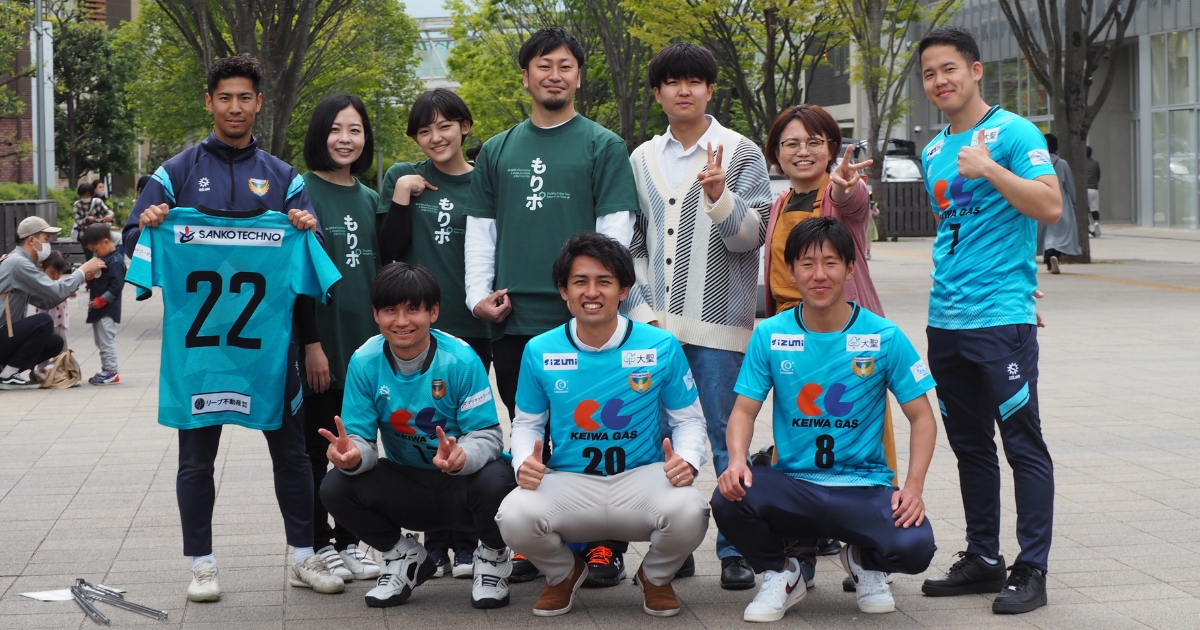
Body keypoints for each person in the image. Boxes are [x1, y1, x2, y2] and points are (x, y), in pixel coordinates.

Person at [122, 53, 335, 603]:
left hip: (271, 349)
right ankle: (202, 565)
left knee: (292, 455)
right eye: (225, 97)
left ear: (258, 103)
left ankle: (305, 556)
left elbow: (310, 262)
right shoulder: (175, 173)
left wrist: (306, 229)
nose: (234, 107)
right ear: (209, 102)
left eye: (244, 97)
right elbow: (131, 246)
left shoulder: (283, 178)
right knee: (196, 461)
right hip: (200, 350)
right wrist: (147, 225)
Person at [464, 26, 639, 586]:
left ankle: (605, 544)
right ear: (526, 76)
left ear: (578, 77)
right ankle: (539, 539)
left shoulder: (603, 145)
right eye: (543, 65)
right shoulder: (497, 149)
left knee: (598, 430)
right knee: (531, 432)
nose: (554, 75)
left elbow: (615, 230)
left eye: (565, 66)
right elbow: (481, 230)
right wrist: (476, 295)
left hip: (587, 322)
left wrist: (599, 299)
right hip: (515, 319)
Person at [712, 217, 938, 621]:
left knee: (916, 547)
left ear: (850, 269)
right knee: (728, 497)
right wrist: (736, 461)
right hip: (795, 484)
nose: (819, 275)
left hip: (863, 486)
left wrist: (914, 487)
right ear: (790, 271)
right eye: (807, 264)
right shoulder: (770, 334)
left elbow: (922, 417)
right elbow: (743, 411)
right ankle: (783, 572)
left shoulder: (883, 336)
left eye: (831, 263)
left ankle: (864, 561)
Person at [917, 26, 1060, 615]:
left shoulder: (1014, 132)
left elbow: (1049, 205)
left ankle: (1032, 568)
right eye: (929, 73)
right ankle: (982, 557)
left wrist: (990, 168)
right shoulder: (932, 151)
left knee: (1022, 442)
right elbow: (962, 231)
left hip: (999, 320)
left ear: (975, 71)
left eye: (949, 68)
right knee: (969, 444)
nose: (939, 81)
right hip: (945, 320)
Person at [495, 232, 710, 618]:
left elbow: (689, 419)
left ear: (624, 289)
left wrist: (689, 459)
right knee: (512, 516)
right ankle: (563, 573)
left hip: (641, 478)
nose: (592, 292)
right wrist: (524, 461)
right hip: (570, 480)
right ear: (563, 290)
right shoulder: (540, 349)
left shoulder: (660, 345)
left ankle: (656, 577)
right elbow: (527, 422)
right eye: (580, 281)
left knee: (692, 510)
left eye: (604, 281)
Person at [623, 41, 771, 589]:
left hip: (718, 327)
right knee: (659, 438)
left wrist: (720, 198)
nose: (683, 90)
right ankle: (673, 544)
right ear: (657, 92)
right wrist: (641, 311)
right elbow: (633, 242)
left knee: (726, 436)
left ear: (710, 89)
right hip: (655, 329)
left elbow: (751, 237)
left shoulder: (741, 152)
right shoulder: (640, 158)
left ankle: (737, 546)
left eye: (694, 81)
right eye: (672, 82)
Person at [319, 262, 516, 610]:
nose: (402, 321)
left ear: (433, 312)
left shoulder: (460, 359)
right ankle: (404, 557)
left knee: (498, 478)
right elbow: (361, 439)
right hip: (407, 484)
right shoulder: (364, 361)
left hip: (461, 484)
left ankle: (493, 558)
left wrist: (463, 456)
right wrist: (352, 456)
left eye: (413, 309)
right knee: (335, 485)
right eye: (390, 310)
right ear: (375, 314)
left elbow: (488, 435)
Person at [761, 103, 900, 589]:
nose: (802, 152)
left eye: (814, 142)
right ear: (776, 153)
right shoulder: (779, 203)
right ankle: (803, 547)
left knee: (868, 441)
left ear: (832, 149)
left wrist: (845, 187)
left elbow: (853, 202)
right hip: (793, 342)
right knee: (801, 434)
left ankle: (870, 552)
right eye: (791, 143)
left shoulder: (840, 195)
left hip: (847, 339)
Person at [378, 88, 489, 580]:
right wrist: (402, 197)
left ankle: (466, 542)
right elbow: (390, 250)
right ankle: (436, 544)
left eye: (445, 126)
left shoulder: (486, 181)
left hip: (473, 326)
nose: (436, 137)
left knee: (464, 432)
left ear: (464, 127)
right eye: (424, 130)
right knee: (427, 430)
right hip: (418, 328)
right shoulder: (402, 177)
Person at [293, 92, 383, 583]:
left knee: (359, 449)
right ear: (318, 135)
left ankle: (349, 541)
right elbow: (297, 280)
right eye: (335, 129)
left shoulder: (370, 199)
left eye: (355, 130)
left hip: (365, 349)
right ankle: (315, 544)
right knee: (314, 451)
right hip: (320, 347)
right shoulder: (299, 194)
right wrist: (311, 344)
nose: (345, 139)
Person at [0, 217, 105, 389]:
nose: (48, 244)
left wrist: (76, 282)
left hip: (5, 337)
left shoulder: (18, 262)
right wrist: (81, 271)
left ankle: (6, 369)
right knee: (44, 321)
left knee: (55, 342)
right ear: (31, 240)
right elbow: (55, 291)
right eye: (46, 239)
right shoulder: (18, 263)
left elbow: (47, 301)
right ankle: (7, 375)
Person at [80, 224, 125, 385]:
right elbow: (98, 280)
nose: (95, 254)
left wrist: (102, 300)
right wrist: (89, 278)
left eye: (96, 250)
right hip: (98, 309)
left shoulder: (115, 261)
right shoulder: (102, 259)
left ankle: (111, 371)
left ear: (106, 242)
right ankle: (106, 368)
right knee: (100, 341)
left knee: (106, 340)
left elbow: (117, 287)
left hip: (107, 309)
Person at [1037, 133, 1080, 274]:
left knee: (1046, 234)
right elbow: (1070, 186)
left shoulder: (1037, 163)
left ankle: (1048, 260)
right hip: (1060, 202)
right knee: (1061, 234)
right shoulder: (1062, 164)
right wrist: (1073, 202)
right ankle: (1054, 256)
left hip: (1041, 202)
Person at [33, 252, 73, 349]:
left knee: (61, 349)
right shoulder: (41, 283)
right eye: (52, 273)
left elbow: (69, 291)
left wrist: (71, 292)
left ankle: (63, 359)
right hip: (44, 323)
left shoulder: (60, 283)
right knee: (46, 348)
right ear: (42, 267)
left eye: (59, 273)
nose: (55, 276)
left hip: (59, 322)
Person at [1086, 146, 1101, 237]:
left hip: (1084, 189)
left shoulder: (1081, 163)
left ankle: (1087, 230)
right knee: (1094, 209)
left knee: (1085, 211)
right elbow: (1098, 176)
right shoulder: (1095, 163)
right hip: (1094, 189)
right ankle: (1096, 223)